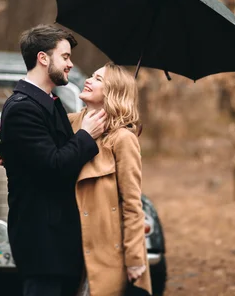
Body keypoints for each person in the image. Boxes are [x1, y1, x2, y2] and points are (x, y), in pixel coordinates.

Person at [0, 24, 107, 296]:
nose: (70, 64)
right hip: (41, 240)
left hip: (59, 238)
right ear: (43, 58)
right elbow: (54, 165)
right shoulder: (23, 108)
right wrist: (86, 135)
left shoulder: (50, 103)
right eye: (66, 57)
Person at [69, 62, 152, 296]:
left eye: (97, 79)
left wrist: (135, 258)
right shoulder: (71, 123)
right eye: (91, 75)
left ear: (112, 92)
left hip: (107, 252)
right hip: (69, 248)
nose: (88, 80)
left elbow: (132, 203)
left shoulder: (122, 139)